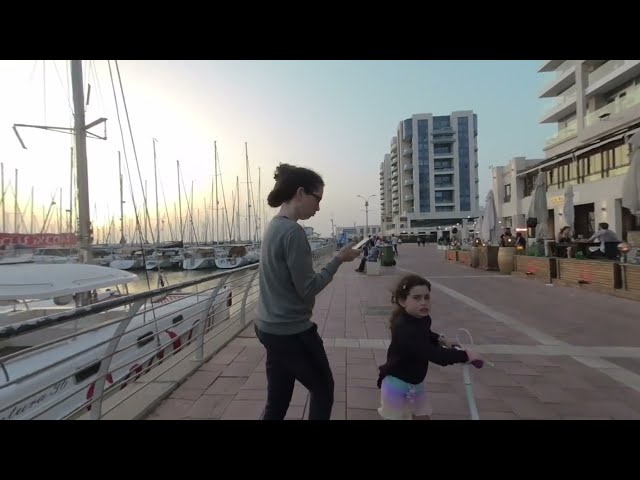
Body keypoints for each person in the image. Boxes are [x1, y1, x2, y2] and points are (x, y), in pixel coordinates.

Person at [254, 163, 361, 420]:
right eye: (318, 199)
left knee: (278, 400)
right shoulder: (293, 232)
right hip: (291, 332)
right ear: (300, 193)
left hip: (267, 326)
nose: (319, 207)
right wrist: (338, 260)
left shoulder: (274, 226)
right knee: (323, 389)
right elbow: (308, 288)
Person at [376, 274, 482, 420]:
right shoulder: (404, 328)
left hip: (415, 382)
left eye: (427, 297)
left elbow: (426, 333)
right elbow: (434, 355)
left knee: (423, 415)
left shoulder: (422, 318)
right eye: (417, 298)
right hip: (397, 385)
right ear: (402, 301)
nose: (424, 302)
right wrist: (465, 355)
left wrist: (441, 339)